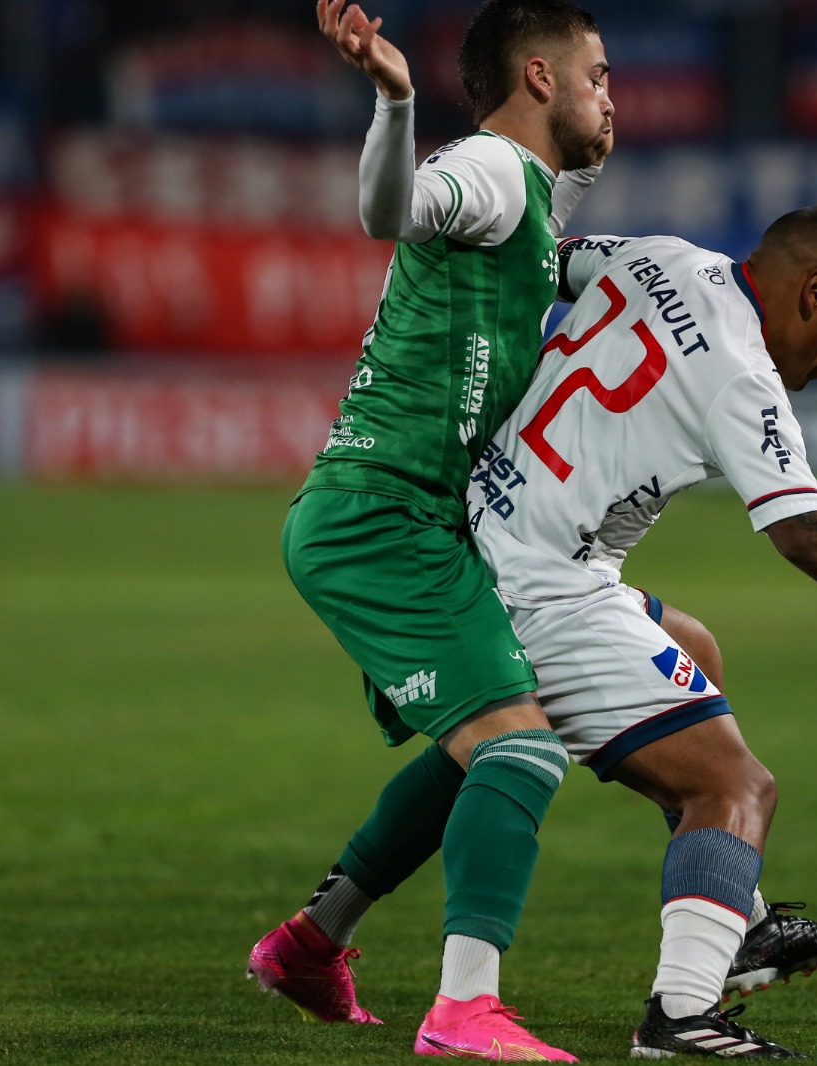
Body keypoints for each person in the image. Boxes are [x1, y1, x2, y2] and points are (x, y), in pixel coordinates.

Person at [462, 207, 817, 1057]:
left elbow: (539, 264)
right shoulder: (741, 371)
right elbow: (805, 531)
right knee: (737, 790)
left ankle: (747, 927)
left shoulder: (660, 257)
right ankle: (681, 1014)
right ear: (813, 291)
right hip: (541, 589)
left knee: (693, 650)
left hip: (488, 531)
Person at [245, 2, 612, 1060]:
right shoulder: (491, 171)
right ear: (538, 78)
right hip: (381, 515)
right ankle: (463, 1009)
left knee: (477, 749)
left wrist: (583, 164)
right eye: (596, 74)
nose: (610, 94)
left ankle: (312, 942)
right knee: (522, 745)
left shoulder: (530, 188)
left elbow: (544, 198)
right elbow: (391, 210)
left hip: (417, 518)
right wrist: (395, 99)